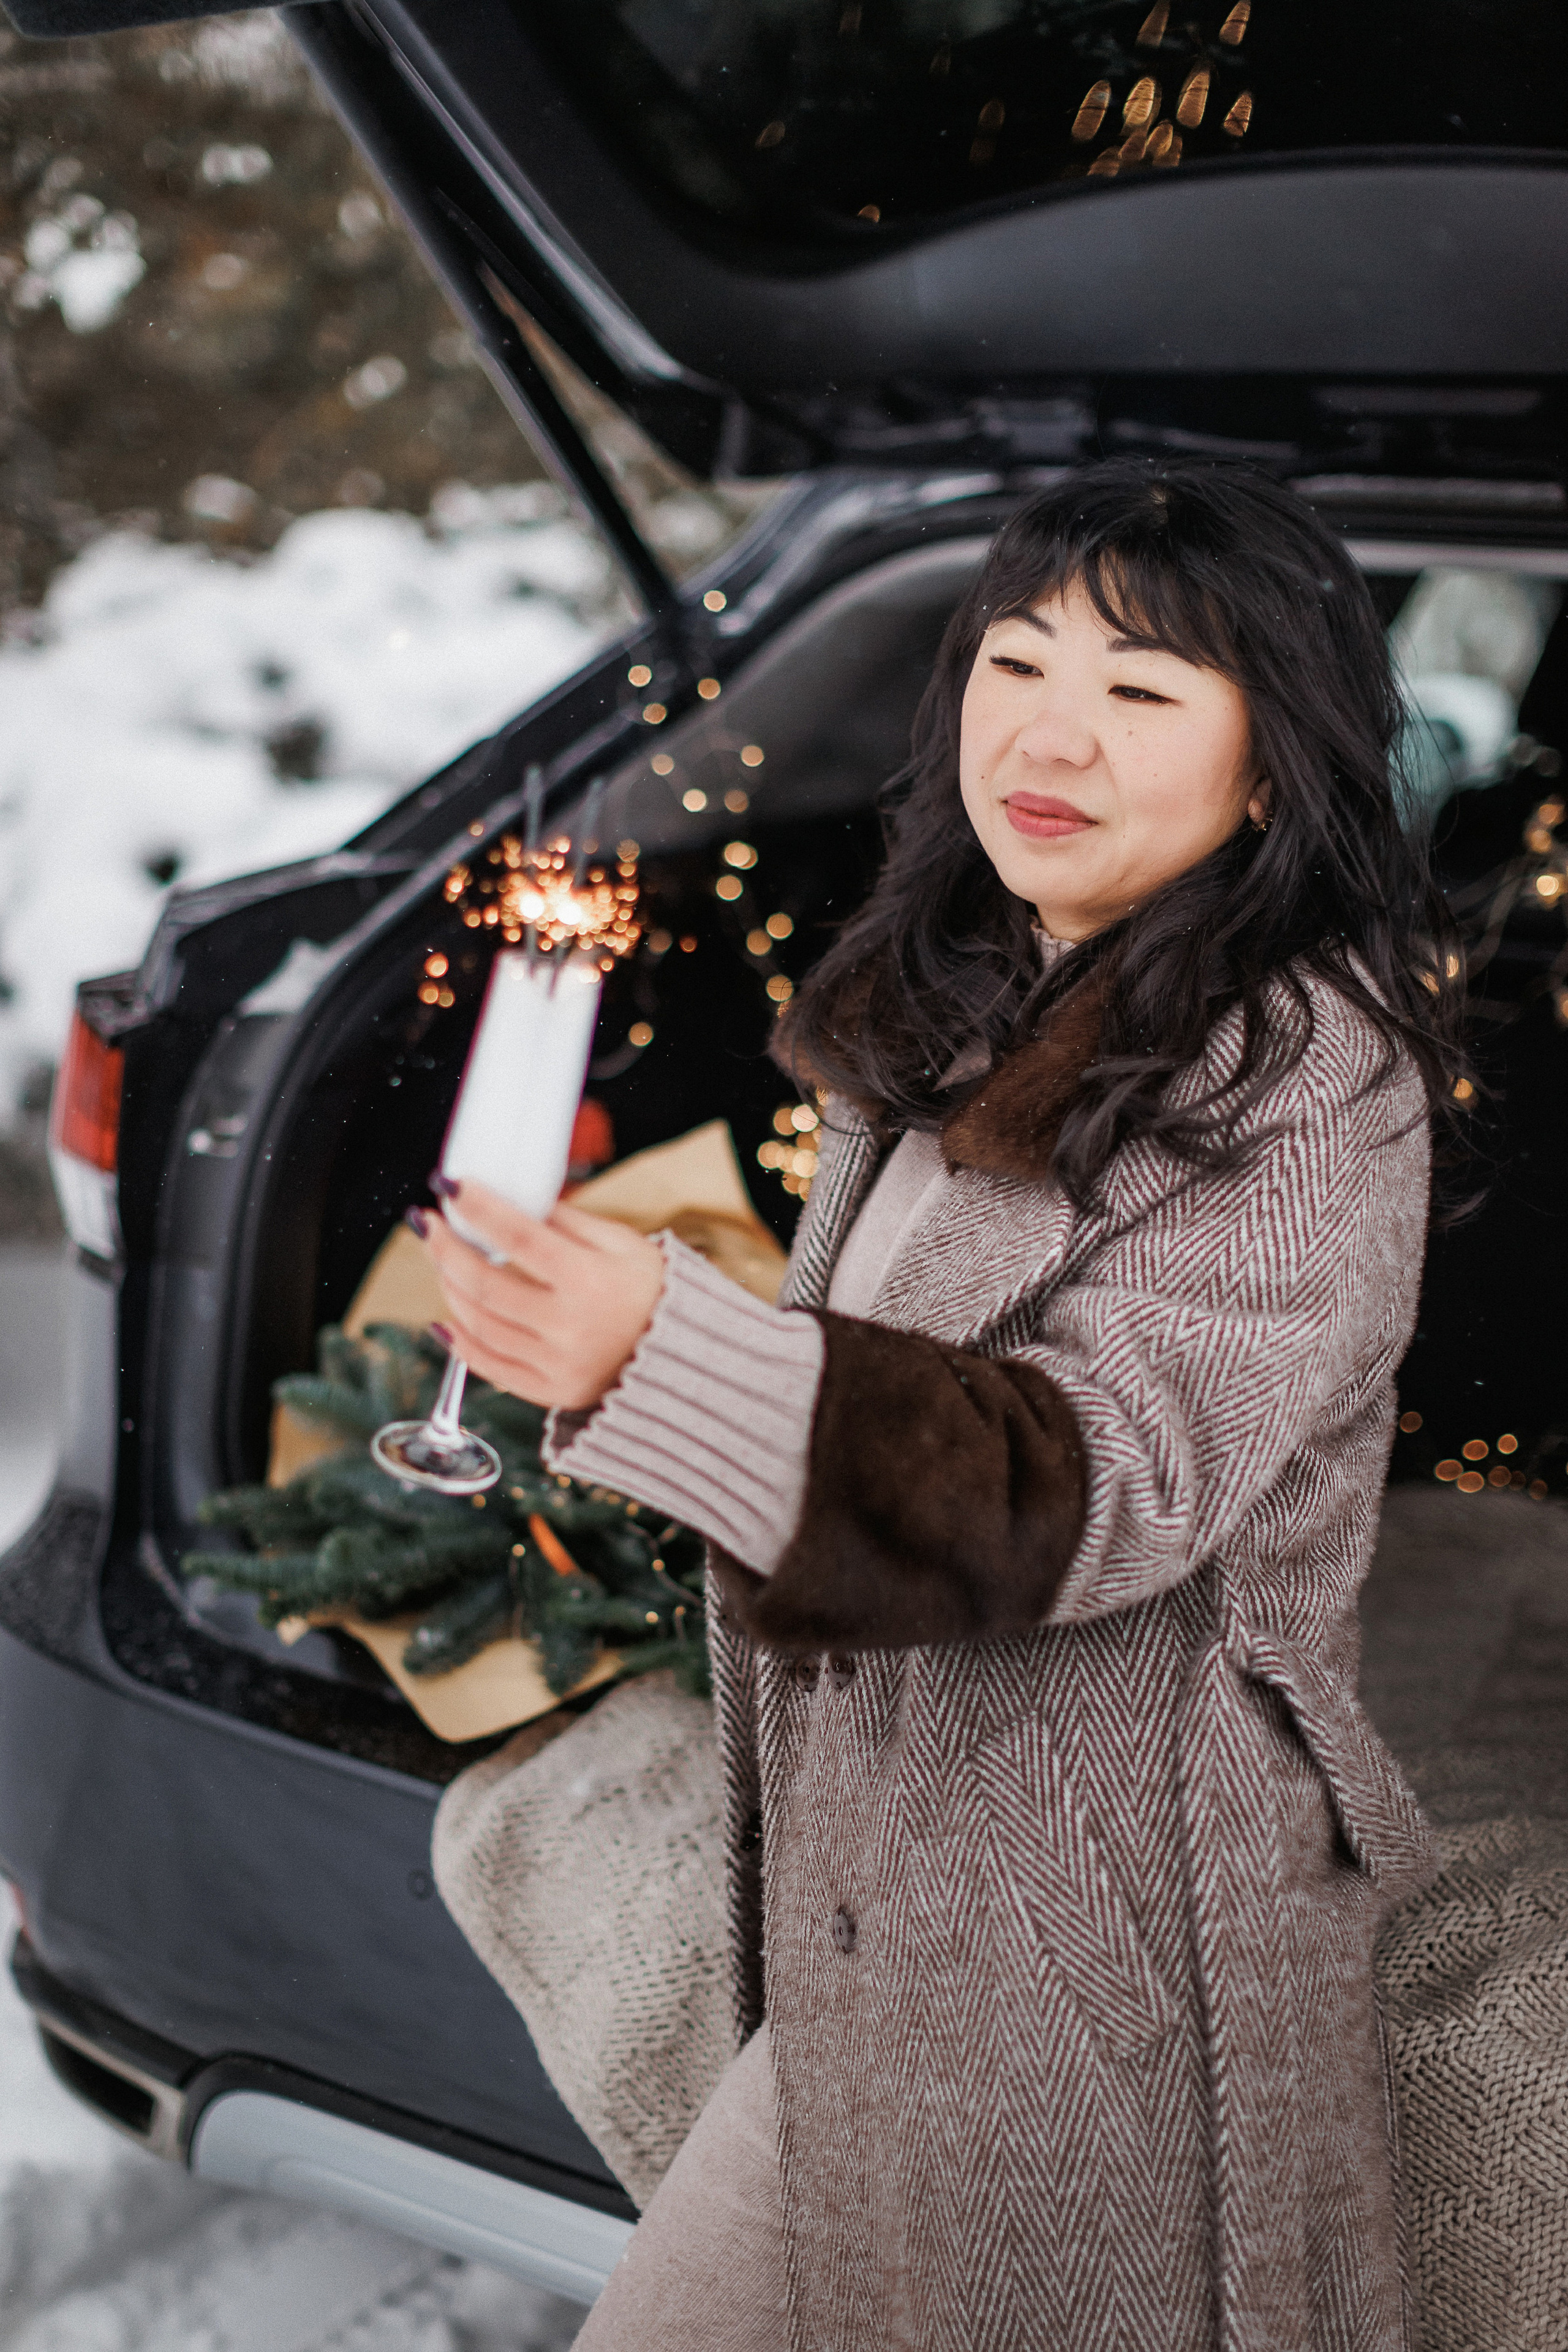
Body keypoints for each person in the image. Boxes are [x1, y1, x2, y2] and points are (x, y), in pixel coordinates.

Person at [421, 460, 1468, 2352]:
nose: (1048, 736)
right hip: (874, 1906)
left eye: (1144, 693)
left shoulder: (1309, 1072)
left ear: (1277, 757)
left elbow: (1110, 1473)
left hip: (1097, 1928)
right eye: (1014, 665)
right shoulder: (983, 990)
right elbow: (904, 1372)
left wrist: (664, 1355)